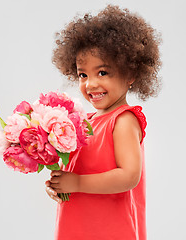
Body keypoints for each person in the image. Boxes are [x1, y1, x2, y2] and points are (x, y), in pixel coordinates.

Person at [45, 4, 161, 240]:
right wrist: (59, 184)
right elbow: (77, 169)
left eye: (103, 73)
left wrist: (76, 183)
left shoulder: (124, 120)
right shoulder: (84, 123)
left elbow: (129, 176)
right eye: (83, 74)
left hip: (110, 230)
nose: (90, 84)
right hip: (77, 224)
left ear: (130, 74)